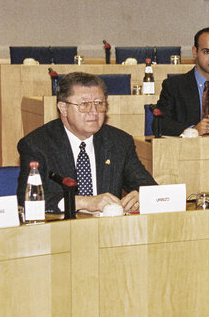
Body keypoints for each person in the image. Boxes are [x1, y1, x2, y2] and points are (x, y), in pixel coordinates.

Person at [17, 72, 156, 213]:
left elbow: (151, 189)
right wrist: (82, 202)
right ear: (63, 108)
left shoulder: (119, 142)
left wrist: (140, 196)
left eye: (99, 103)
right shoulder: (36, 145)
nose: (94, 112)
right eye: (84, 104)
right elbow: (26, 199)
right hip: (60, 230)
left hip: (108, 230)